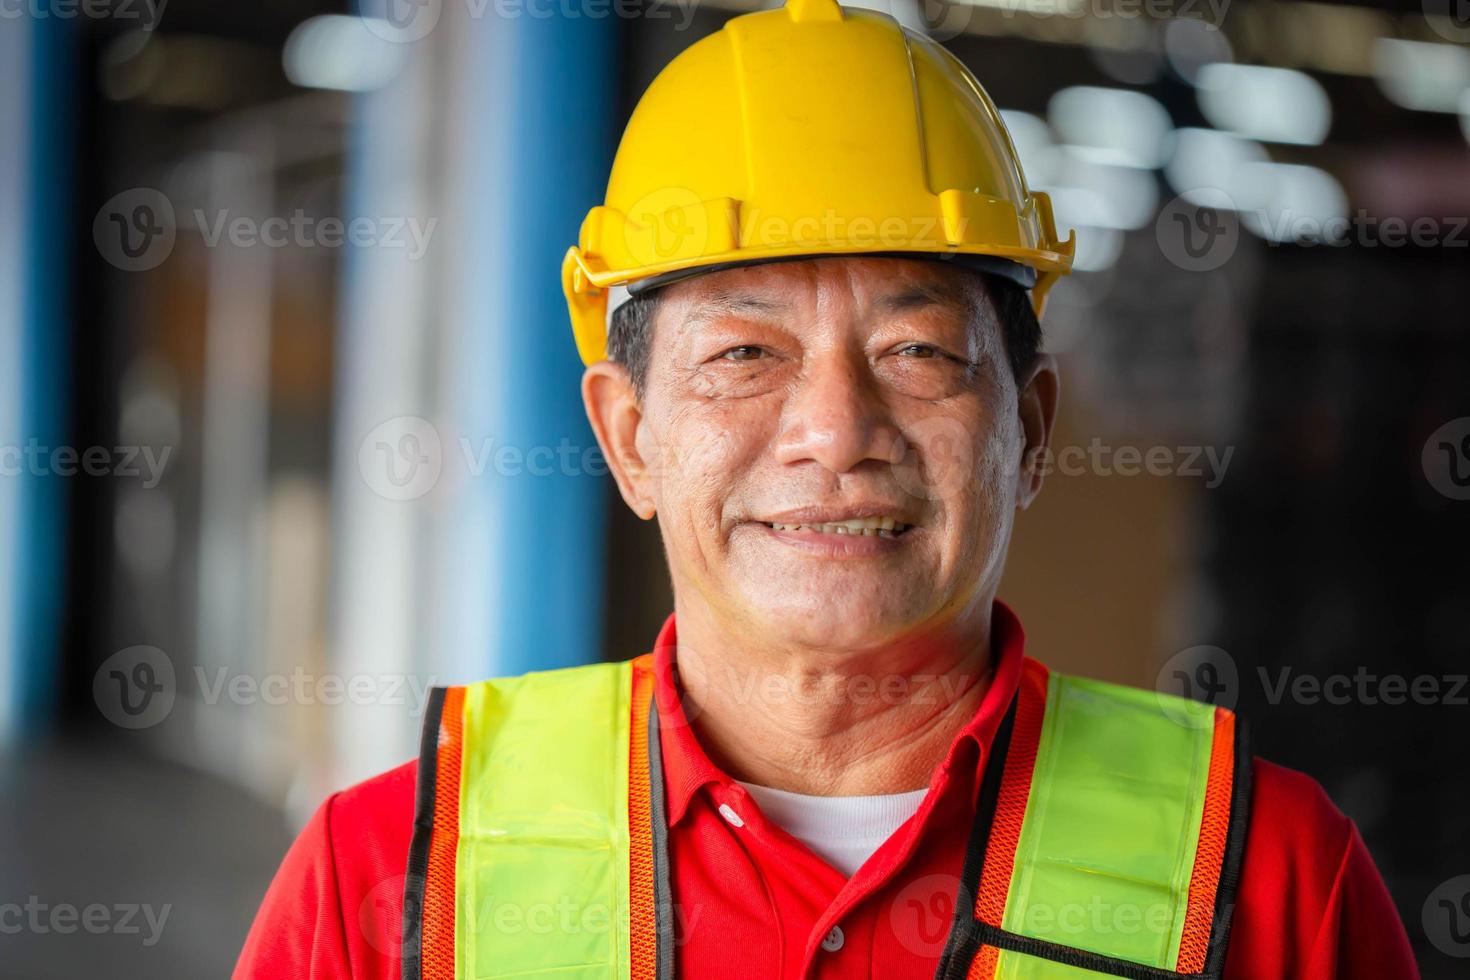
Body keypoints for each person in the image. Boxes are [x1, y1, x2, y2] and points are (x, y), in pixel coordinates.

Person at [235, 0, 1419, 977]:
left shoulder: (1267, 877)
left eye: (917, 352)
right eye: (744, 354)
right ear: (631, 435)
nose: (834, 431)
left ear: (1033, 428)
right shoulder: (390, 881)